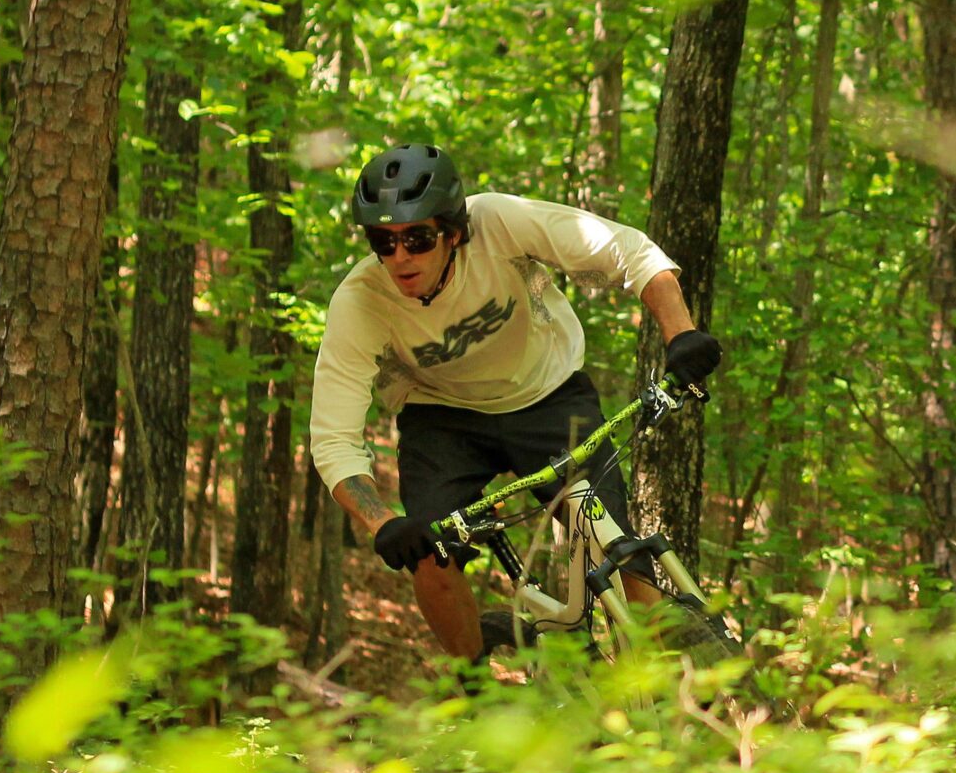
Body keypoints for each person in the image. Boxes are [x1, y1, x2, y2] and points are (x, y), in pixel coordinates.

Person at [309, 142, 722, 660]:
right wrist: (382, 522)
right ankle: (473, 692)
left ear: (453, 232)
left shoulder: (500, 222)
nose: (400, 257)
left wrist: (680, 335)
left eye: (416, 237)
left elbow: (628, 251)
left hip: (546, 393)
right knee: (432, 556)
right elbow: (333, 438)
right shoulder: (360, 301)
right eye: (382, 242)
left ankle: (665, 684)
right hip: (442, 417)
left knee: (614, 543)